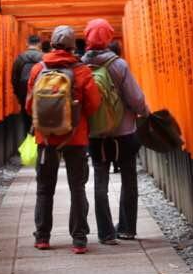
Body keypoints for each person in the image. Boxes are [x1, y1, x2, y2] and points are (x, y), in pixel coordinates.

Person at [25, 25, 101, 254]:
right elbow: (94, 104)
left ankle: (42, 237)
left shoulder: (39, 69)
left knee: (44, 188)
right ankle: (79, 239)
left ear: (51, 44)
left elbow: (30, 105)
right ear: (72, 46)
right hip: (75, 137)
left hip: (45, 139)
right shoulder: (82, 71)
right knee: (77, 187)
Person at [81, 18, 150, 243]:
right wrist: (145, 113)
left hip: (96, 134)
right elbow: (136, 99)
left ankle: (105, 232)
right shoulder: (118, 65)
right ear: (109, 37)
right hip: (124, 132)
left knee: (100, 180)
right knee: (128, 178)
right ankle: (127, 228)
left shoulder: (81, 66)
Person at [10, 32, 44, 133]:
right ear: (39, 44)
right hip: (42, 95)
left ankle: (28, 144)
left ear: (27, 43)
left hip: (25, 95)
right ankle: (40, 144)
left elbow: (14, 79)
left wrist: (19, 95)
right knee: (42, 121)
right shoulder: (44, 58)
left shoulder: (20, 58)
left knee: (26, 121)